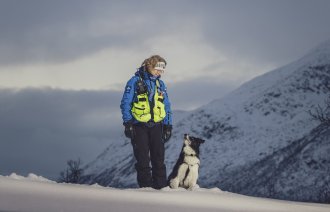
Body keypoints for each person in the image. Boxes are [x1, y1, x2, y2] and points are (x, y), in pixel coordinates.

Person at [120, 55, 172, 189]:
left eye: (162, 71)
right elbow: (125, 103)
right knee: (143, 160)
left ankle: (160, 188)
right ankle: (146, 190)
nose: (159, 73)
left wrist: (168, 125)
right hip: (139, 126)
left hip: (157, 126)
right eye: (157, 69)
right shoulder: (134, 81)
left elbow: (166, 105)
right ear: (150, 66)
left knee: (158, 159)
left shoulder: (161, 84)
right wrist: (128, 123)